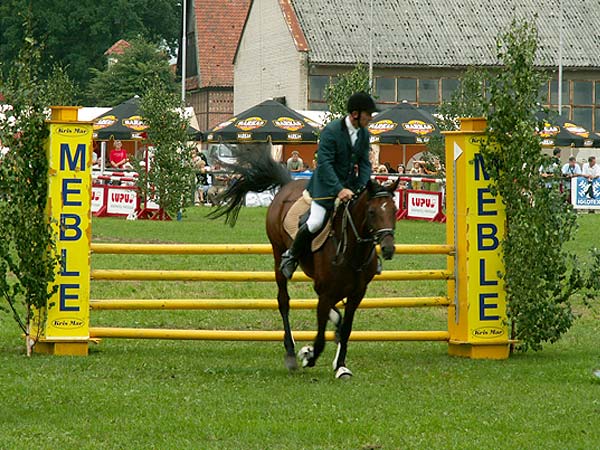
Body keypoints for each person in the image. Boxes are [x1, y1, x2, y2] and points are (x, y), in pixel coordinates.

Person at [279, 92, 376, 279]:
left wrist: (361, 187)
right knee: (315, 223)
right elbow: (325, 164)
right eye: (368, 114)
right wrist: (339, 189)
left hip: (350, 187)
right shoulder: (331, 131)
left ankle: (370, 260)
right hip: (324, 187)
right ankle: (291, 256)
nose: (370, 118)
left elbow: (364, 163)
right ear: (355, 114)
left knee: (367, 219)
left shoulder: (364, 134)